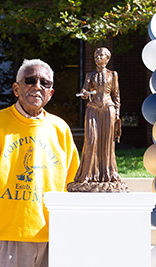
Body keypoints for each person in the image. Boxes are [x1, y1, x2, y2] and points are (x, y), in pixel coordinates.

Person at [0, 59, 79, 267]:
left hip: (53, 239)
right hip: (6, 239)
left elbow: (73, 186)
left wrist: (72, 235)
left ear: (51, 93)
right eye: (30, 80)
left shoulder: (60, 129)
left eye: (45, 83)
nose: (37, 86)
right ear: (16, 89)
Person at [67, 47, 127, 192]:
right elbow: (83, 91)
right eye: (96, 55)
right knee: (91, 139)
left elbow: (116, 95)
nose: (97, 57)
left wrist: (117, 114)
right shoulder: (90, 75)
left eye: (100, 55)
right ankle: (88, 175)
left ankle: (107, 174)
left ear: (107, 58)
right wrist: (85, 94)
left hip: (108, 108)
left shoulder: (113, 75)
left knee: (107, 141)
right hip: (93, 108)